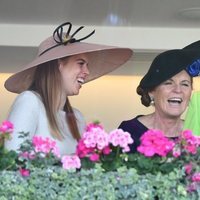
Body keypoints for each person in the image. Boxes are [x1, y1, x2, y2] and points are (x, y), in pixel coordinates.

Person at [4, 22, 132, 155]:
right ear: (59, 65)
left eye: (86, 65)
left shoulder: (77, 117)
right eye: (81, 63)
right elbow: (13, 164)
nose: (87, 71)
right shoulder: (30, 101)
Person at [119, 41, 200, 153]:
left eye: (185, 84)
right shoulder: (129, 131)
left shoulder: (195, 134)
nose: (178, 90)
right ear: (152, 91)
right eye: (168, 83)